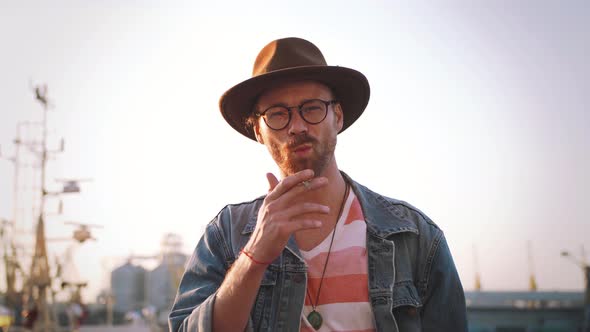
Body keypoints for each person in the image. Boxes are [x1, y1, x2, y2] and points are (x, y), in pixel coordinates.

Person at [169, 37, 467, 332]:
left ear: (337, 116)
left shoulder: (414, 237)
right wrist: (254, 256)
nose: (296, 126)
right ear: (258, 131)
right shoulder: (226, 234)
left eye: (311, 108)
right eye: (277, 114)